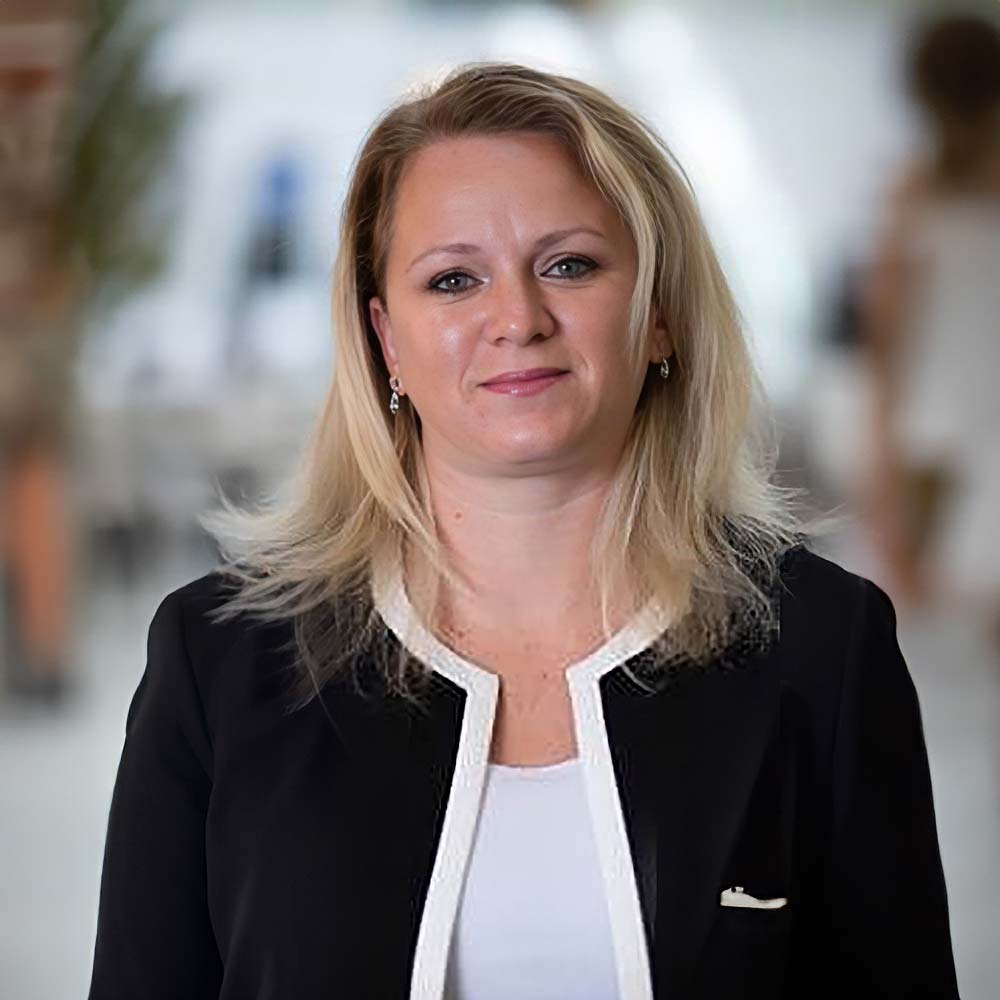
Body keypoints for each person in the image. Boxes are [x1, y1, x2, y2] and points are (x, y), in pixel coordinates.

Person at [88, 62, 959, 999]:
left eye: (569, 265)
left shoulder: (823, 648)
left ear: (660, 314)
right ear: (387, 341)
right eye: (453, 279)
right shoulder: (218, 660)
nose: (517, 318)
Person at [863, 11, 1000, 642]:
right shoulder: (915, 192)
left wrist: (881, 477)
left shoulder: (911, 194)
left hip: (936, 444)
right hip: (948, 444)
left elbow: (887, 344)